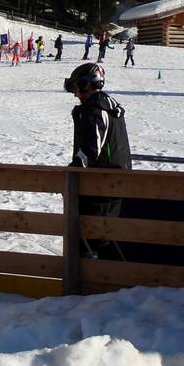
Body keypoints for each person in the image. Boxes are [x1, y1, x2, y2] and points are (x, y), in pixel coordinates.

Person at [64, 63, 131, 260]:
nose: (75, 94)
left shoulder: (95, 107)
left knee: (89, 239)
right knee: (102, 237)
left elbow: (91, 150)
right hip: (112, 182)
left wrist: (72, 171)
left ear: (85, 85)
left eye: (76, 88)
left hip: (100, 186)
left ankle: (91, 277)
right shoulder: (106, 104)